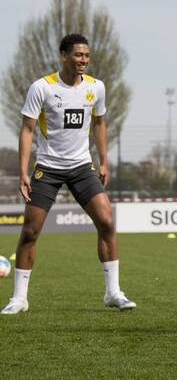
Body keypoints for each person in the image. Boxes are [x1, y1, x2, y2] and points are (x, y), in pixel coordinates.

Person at [1, 34, 136, 315]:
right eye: (77, 55)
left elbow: (99, 123)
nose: (83, 60)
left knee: (107, 221)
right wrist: (24, 171)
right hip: (48, 167)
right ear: (63, 56)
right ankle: (19, 298)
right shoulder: (42, 88)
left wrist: (103, 161)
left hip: (81, 167)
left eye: (86, 55)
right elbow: (27, 129)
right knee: (30, 231)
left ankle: (113, 293)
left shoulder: (97, 88)